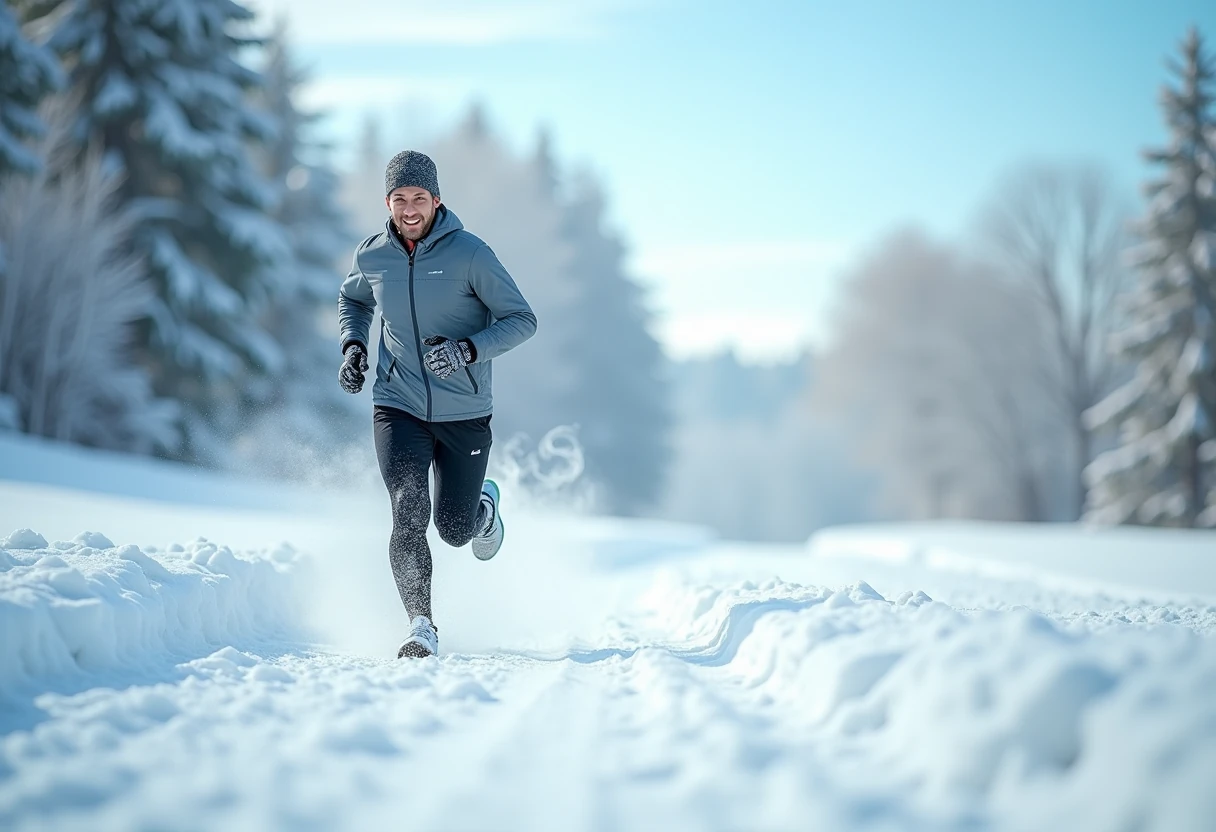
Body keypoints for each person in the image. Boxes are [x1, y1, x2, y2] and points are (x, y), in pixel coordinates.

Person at [337, 150, 537, 659]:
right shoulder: (373, 254)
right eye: (399, 198)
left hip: (464, 411)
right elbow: (354, 299)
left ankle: (482, 508)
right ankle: (420, 624)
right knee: (407, 509)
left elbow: (521, 319)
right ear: (387, 201)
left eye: (419, 198)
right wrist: (354, 347)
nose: (409, 208)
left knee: (452, 529)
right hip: (396, 402)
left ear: (437, 200)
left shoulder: (471, 254)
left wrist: (468, 350)